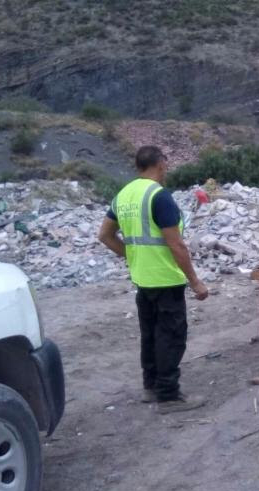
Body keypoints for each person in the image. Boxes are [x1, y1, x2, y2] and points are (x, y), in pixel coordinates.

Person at [98, 145, 209, 414]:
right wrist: (195, 281)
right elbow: (176, 245)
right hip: (165, 279)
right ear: (160, 164)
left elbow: (105, 236)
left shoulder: (123, 195)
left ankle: (150, 387)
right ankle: (168, 396)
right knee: (170, 337)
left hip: (142, 279)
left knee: (149, 335)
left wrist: (132, 255)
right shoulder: (159, 196)